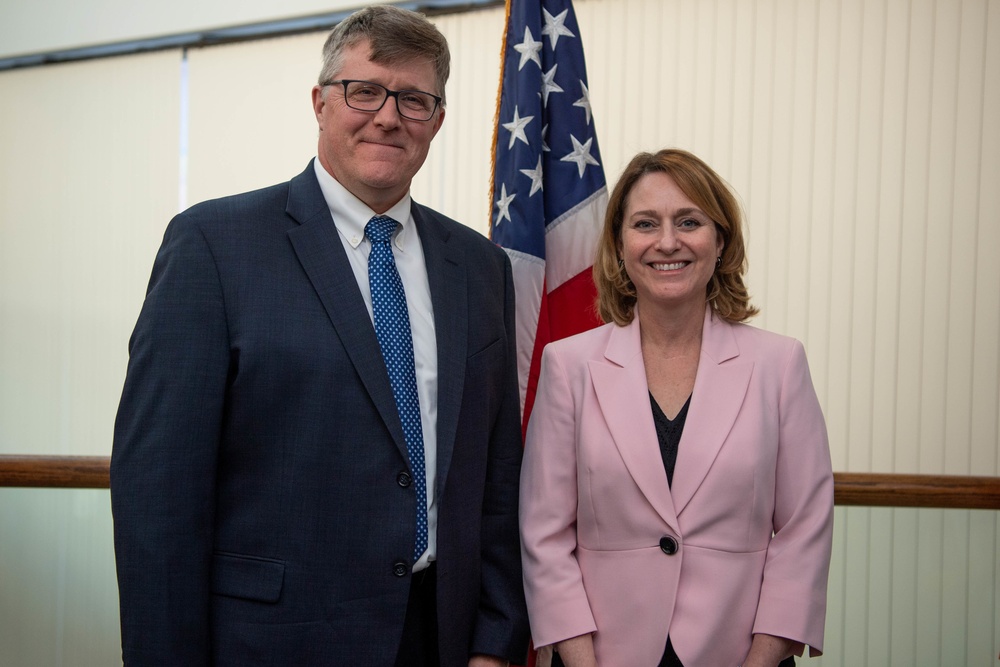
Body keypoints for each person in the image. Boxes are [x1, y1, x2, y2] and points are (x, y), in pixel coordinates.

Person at [110, 6, 528, 666]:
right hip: (272, 643)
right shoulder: (214, 247)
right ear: (320, 102)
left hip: (441, 639)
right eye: (364, 90)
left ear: (437, 121)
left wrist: (497, 641)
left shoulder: (480, 267)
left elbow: (498, 475)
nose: (388, 116)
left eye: (414, 99)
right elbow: (159, 497)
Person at [519, 148, 834, 667]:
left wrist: (762, 659)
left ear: (720, 241)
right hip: (599, 656)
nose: (668, 242)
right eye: (645, 224)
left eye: (689, 221)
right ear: (620, 245)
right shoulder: (568, 366)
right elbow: (544, 534)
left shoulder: (779, 364)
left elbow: (805, 529)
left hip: (740, 653)